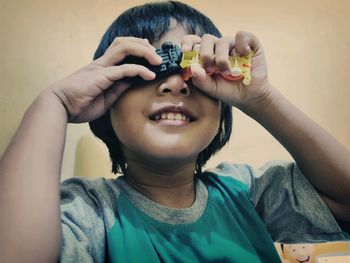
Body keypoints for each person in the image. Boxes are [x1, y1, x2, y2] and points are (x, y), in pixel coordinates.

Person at [0, 1, 349, 262]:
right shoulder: (90, 212)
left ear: (222, 110)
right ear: (106, 100)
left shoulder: (247, 193)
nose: (175, 86)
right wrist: (53, 103)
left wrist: (261, 98)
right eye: (144, 67)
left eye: (194, 70)